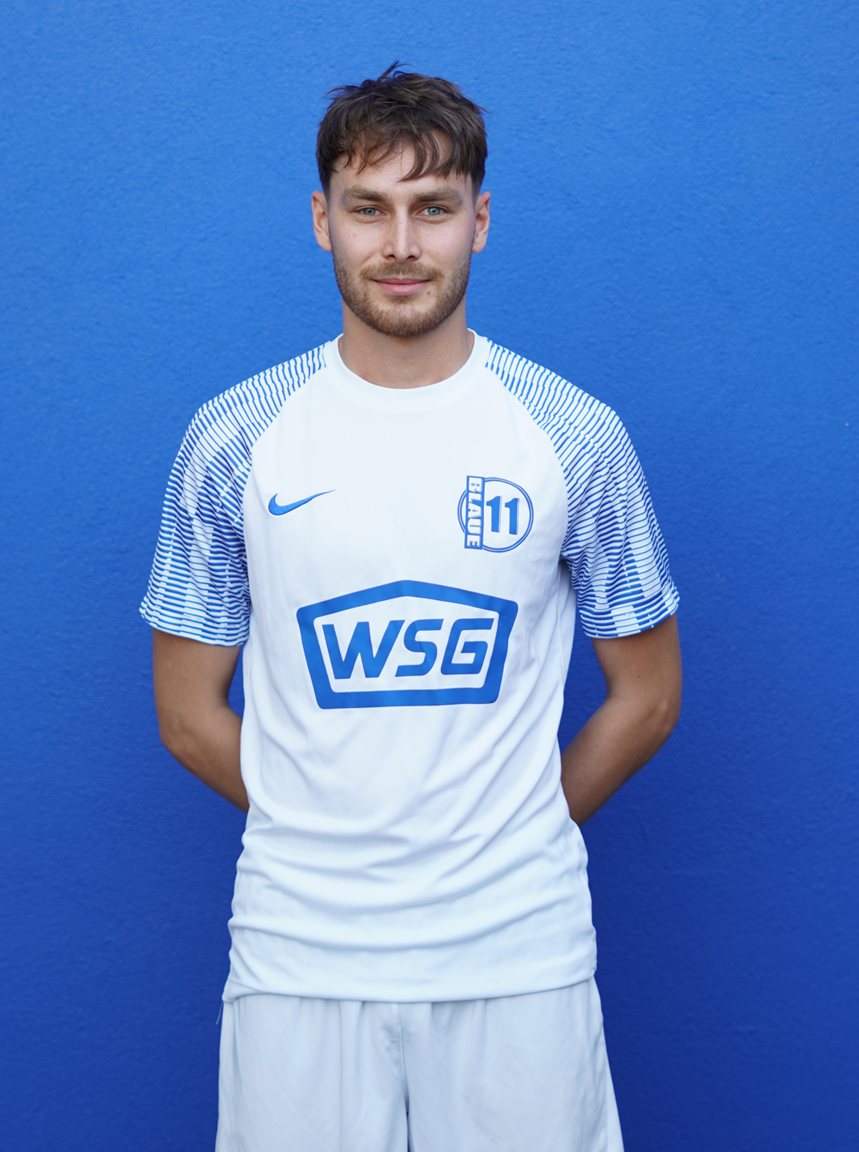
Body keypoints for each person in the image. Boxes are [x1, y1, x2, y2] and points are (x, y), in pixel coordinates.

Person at [142, 64, 682, 1152]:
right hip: (298, 955)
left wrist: (511, 828)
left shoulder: (572, 435)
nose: (399, 244)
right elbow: (188, 714)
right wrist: (321, 824)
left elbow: (648, 695)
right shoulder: (235, 436)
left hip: (517, 954)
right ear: (322, 222)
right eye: (368, 209)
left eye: (432, 209)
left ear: (478, 221)